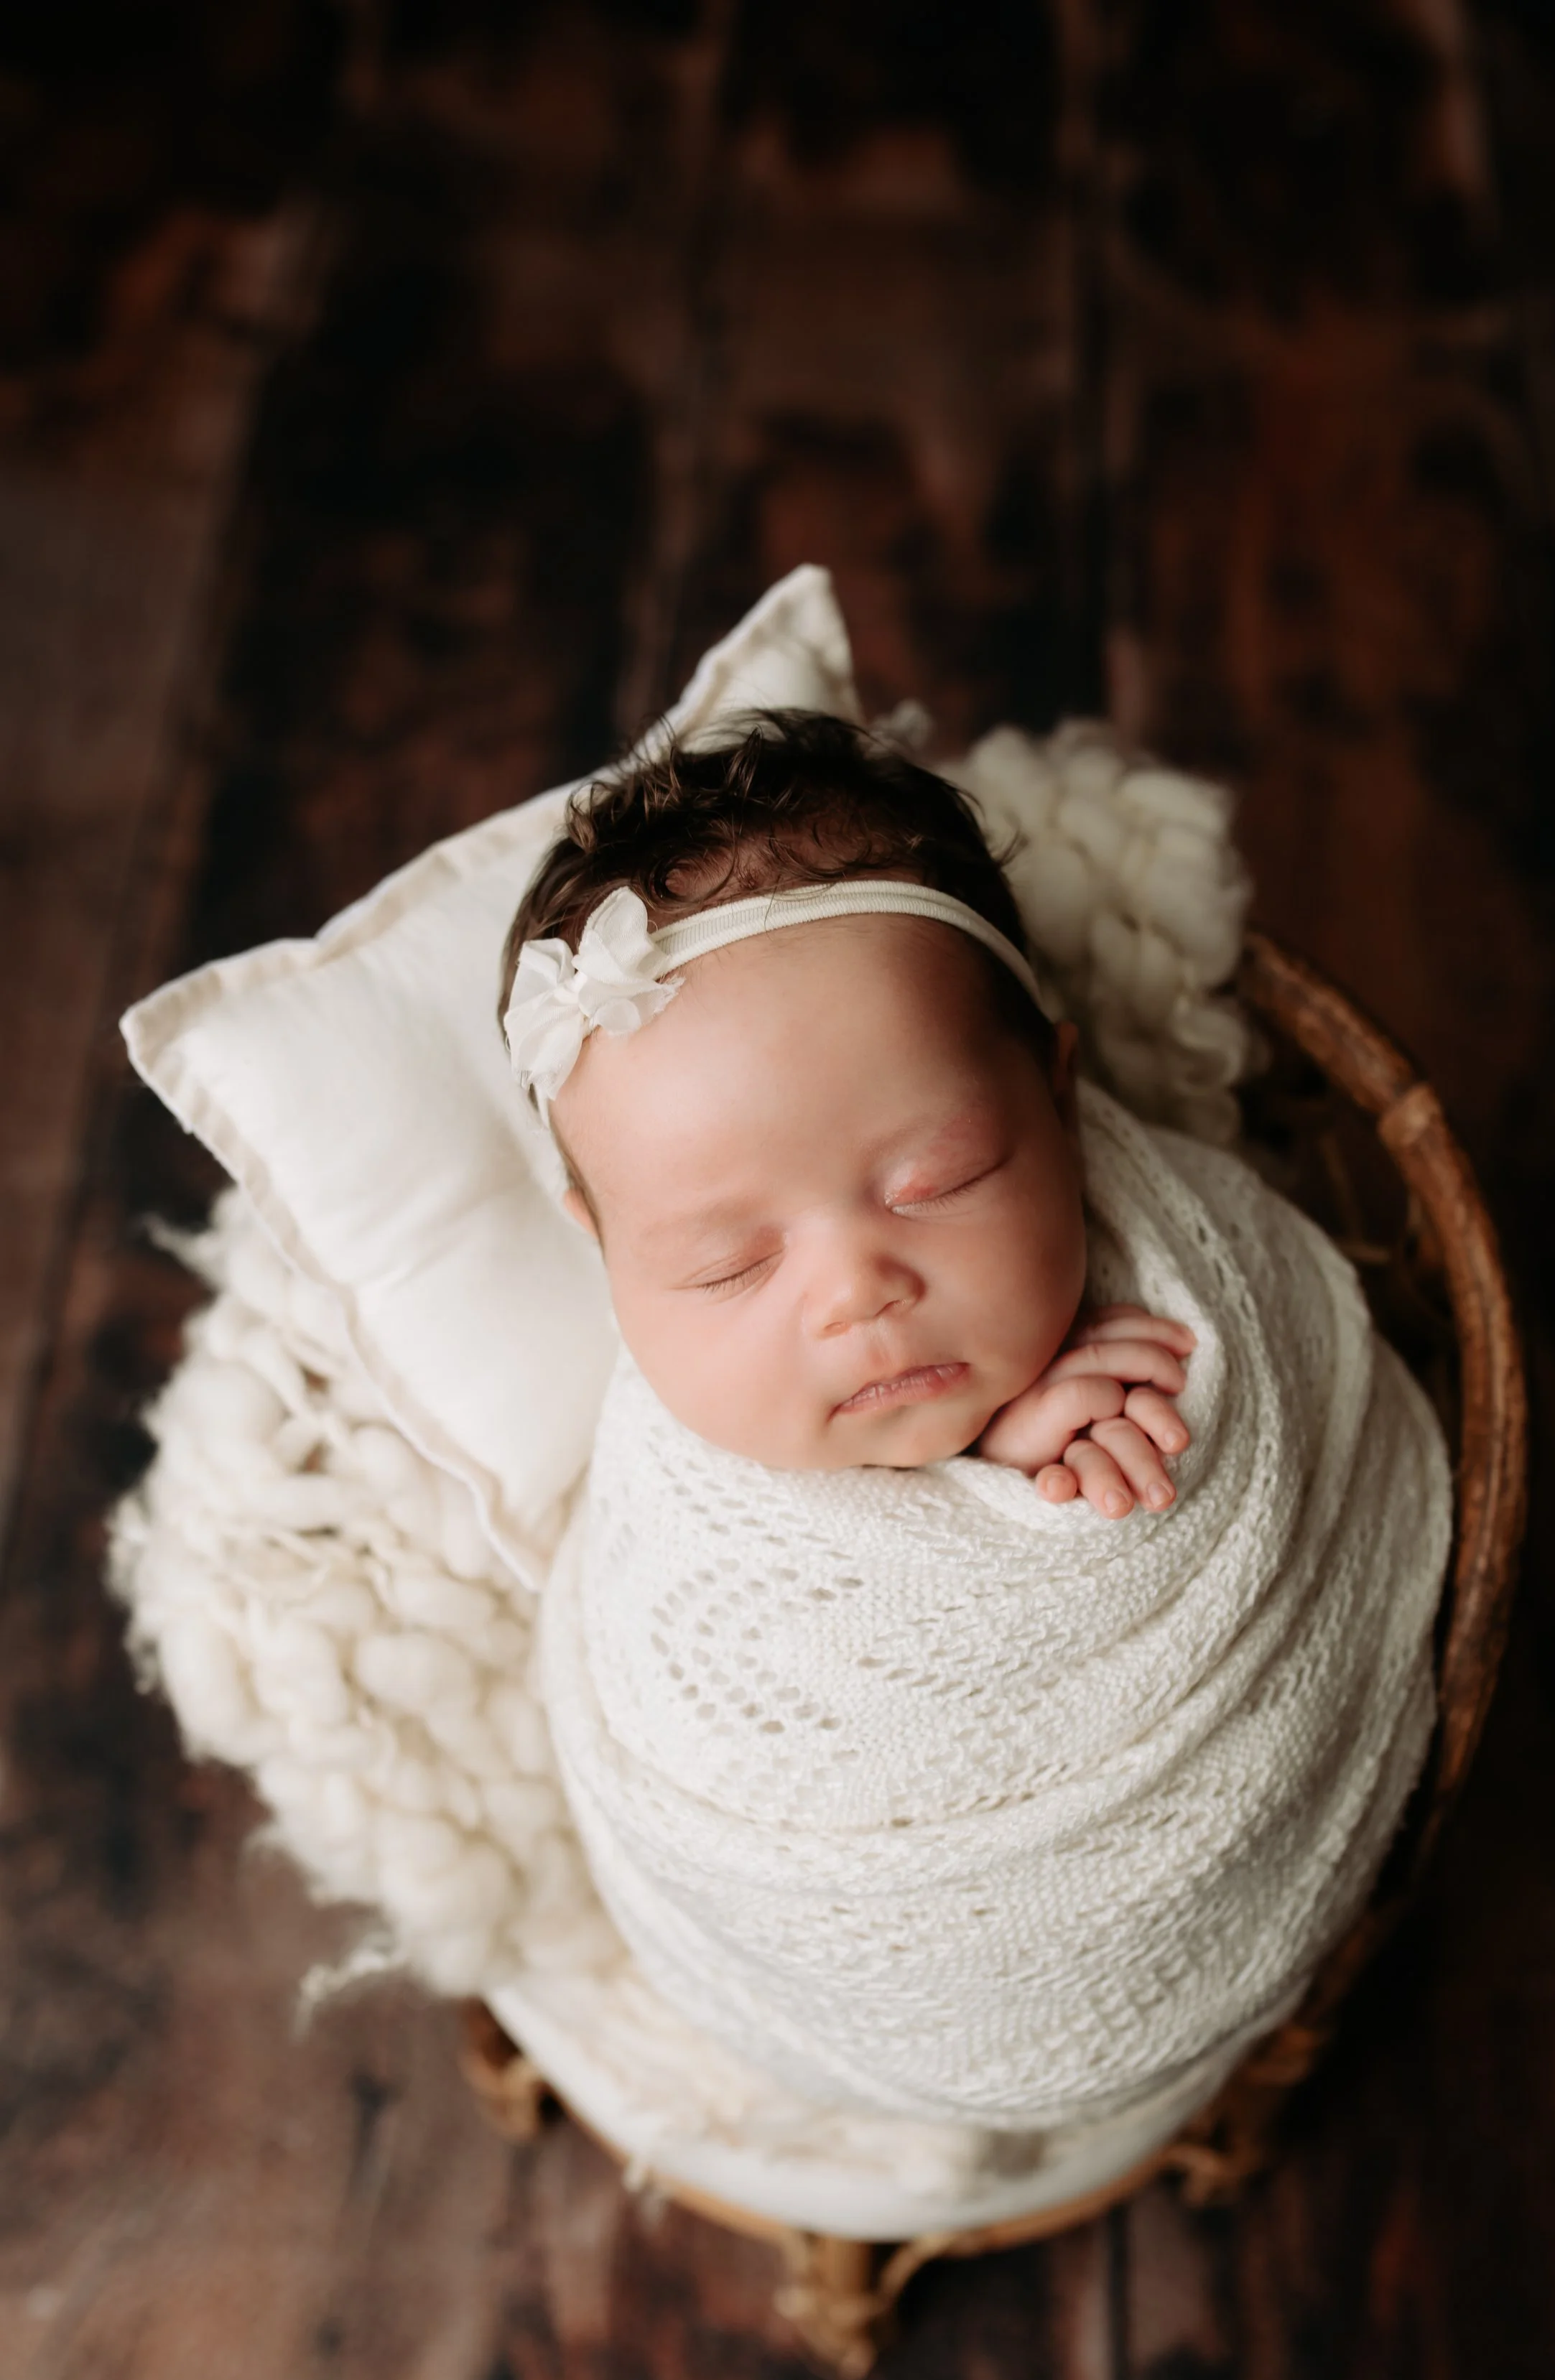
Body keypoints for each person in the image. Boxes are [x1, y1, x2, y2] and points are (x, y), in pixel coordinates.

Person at [499, 709, 1450, 2139]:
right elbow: (693, 1703)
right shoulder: (674, 1492)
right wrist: (976, 1462)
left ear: (1059, 1099)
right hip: (825, 1972)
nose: (852, 1293)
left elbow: (1292, 1410)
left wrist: (1037, 1457)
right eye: (724, 1263)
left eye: (935, 1178)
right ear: (606, 1249)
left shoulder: (1185, 1289)